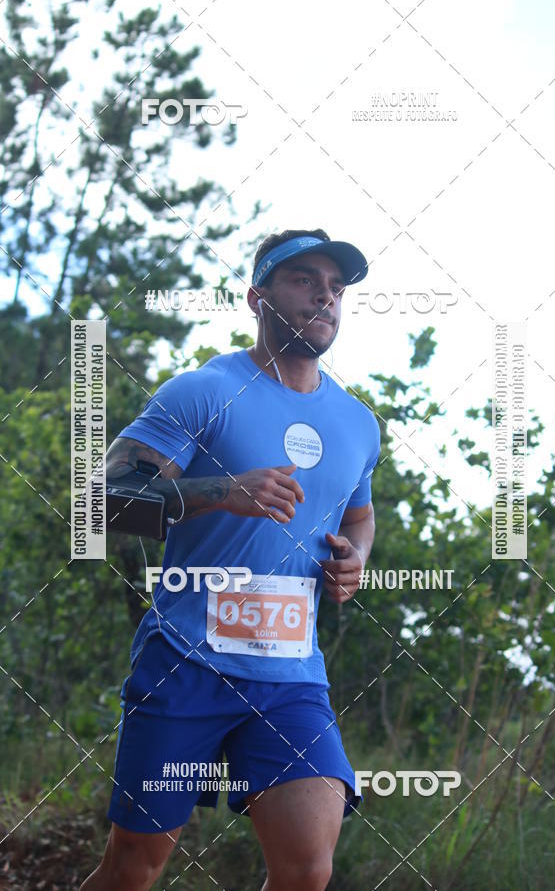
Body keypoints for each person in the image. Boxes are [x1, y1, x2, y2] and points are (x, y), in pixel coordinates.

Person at [80, 228, 380, 891]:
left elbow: (359, 517)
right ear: (257, 297)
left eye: (335, 287)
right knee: (135, 865)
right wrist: (221, 491)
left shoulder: (358, 424)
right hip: (185, 662)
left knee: (307, 870)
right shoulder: (203, 391)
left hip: (290, 676)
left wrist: (353, 560)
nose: (324, 297)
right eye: (304, 280)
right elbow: (99, 502)